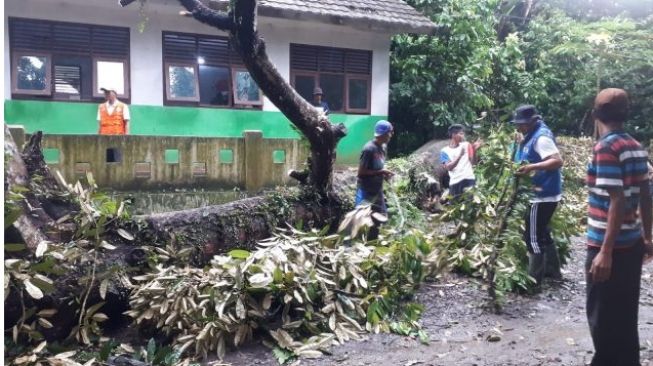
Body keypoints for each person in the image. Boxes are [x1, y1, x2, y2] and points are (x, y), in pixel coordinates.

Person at [584, 88, 652, 366]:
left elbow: (617, 201)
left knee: (602, 318)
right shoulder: (636, 146)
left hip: (607, 247)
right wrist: (648, 236)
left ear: (595, 114)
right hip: (632, 244)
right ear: (626, 115)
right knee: (624, 316)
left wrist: (605, 252)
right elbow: (646, 196)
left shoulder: (606, 148)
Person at [510, 105, 564, 287]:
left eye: (522, 124)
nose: (519, 127)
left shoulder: (541, 137)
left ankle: (533, 281)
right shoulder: (531, 135)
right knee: (543, 233)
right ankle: (553, 272)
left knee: (532, 237)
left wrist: (532, 167)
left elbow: (557, 161)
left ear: (532, 121)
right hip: (543, 194)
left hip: (540, 196)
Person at [356, 120, 394, 240]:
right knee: (361, 221)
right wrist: (381, 172)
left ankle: (372, 244)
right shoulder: (369, 149)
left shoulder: (383, 147)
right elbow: (361, 173)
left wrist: (385, 174)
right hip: (366, 191)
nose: (391, 135)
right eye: (390, 132)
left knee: (380, 217)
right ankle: (354, 246)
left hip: (377, 190)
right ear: (383, 134)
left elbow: (380, 166)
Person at [439, 124, 482, 198]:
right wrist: (460, 156)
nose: (463, 136)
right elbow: (449, 167)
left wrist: (474, 150)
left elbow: (473, 163)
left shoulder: (467, 145)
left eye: (463, 133)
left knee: (471, 205)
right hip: (455, 182)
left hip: (469, 180)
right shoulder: (444, 151)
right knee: (455, 206)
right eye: (461, 133)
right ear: (453, 135)